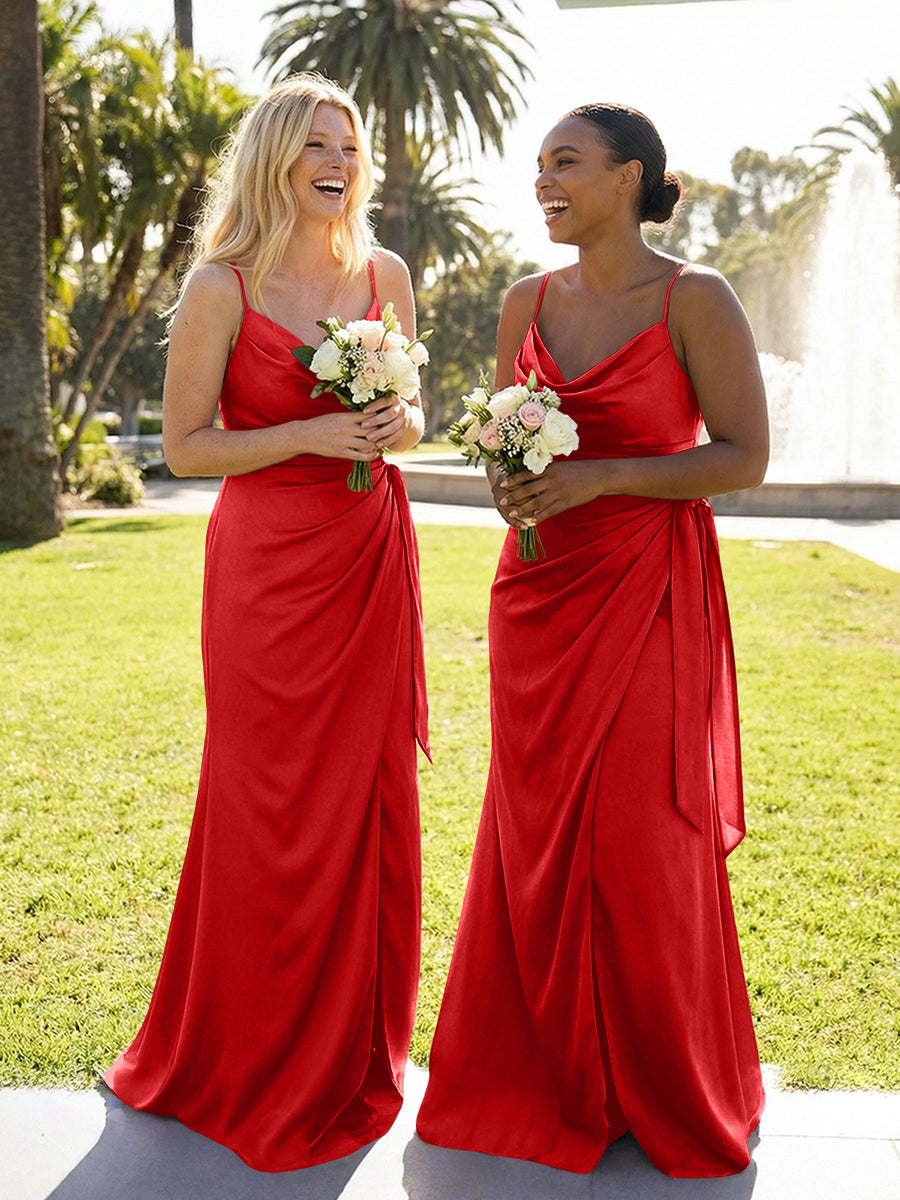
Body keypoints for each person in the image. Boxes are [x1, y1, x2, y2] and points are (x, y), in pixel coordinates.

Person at [415, 102, 769, 1178]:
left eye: (565, 162)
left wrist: (604, 476)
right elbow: (502, 439)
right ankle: (544, 1073)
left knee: (639, 838)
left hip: (648, 592)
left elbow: (745, 455)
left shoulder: (695, 298)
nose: (544, 180)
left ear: (629, 177)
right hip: (537, 596)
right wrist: (511, 483)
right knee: (535, 836)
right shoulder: (525, 300)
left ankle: (654, 1078)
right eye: (538, 165)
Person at [105, 73, 429, 1172]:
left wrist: (393, 422)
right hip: (265, 570)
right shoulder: (220, 286)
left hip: (366, 555)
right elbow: (184, 446)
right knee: (265, 795)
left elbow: (416, 413)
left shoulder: (385, 274)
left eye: (348, 145)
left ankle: (347, 1047)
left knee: (361, 794)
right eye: (314, 144)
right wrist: (307, 437)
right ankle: (240, 1048)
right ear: (274, 159)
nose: (336, 162)